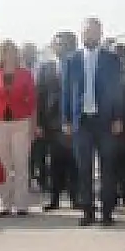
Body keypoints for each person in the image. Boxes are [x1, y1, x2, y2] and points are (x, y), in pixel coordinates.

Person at [62, 18, 125, 226]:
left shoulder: (112, 59)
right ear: (81, 34)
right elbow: (66, 92)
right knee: (84, 168)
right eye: (87, 31)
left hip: (105, 120)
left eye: (94, 31)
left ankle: (107, 212)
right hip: (82, 122)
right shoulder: (72, 60)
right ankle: (87, 210)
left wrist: (117, 117)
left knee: (108, 168)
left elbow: (118, 91)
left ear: (100, 33)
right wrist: (67, 119)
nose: (90, 34)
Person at [0, 40, 38, 217]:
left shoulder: (26, 74)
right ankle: (3, 203)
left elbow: (33, 102)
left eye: (12, 51)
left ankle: (21, 204)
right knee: (2, 165)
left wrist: (33, 126)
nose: (9, 55)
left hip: (21, 122)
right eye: (5, 52)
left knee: (21, 163)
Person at [36, 32, 77, 211]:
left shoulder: (78, 65)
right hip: (51, 122)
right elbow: (39, 96)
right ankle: (54, 198)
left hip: (74, 121)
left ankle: (77, 198)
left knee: (75, 161)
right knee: (55, 162)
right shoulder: (46, 68)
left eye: (65, 44)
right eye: (58, 44)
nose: (61, 47)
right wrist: (38, 122)